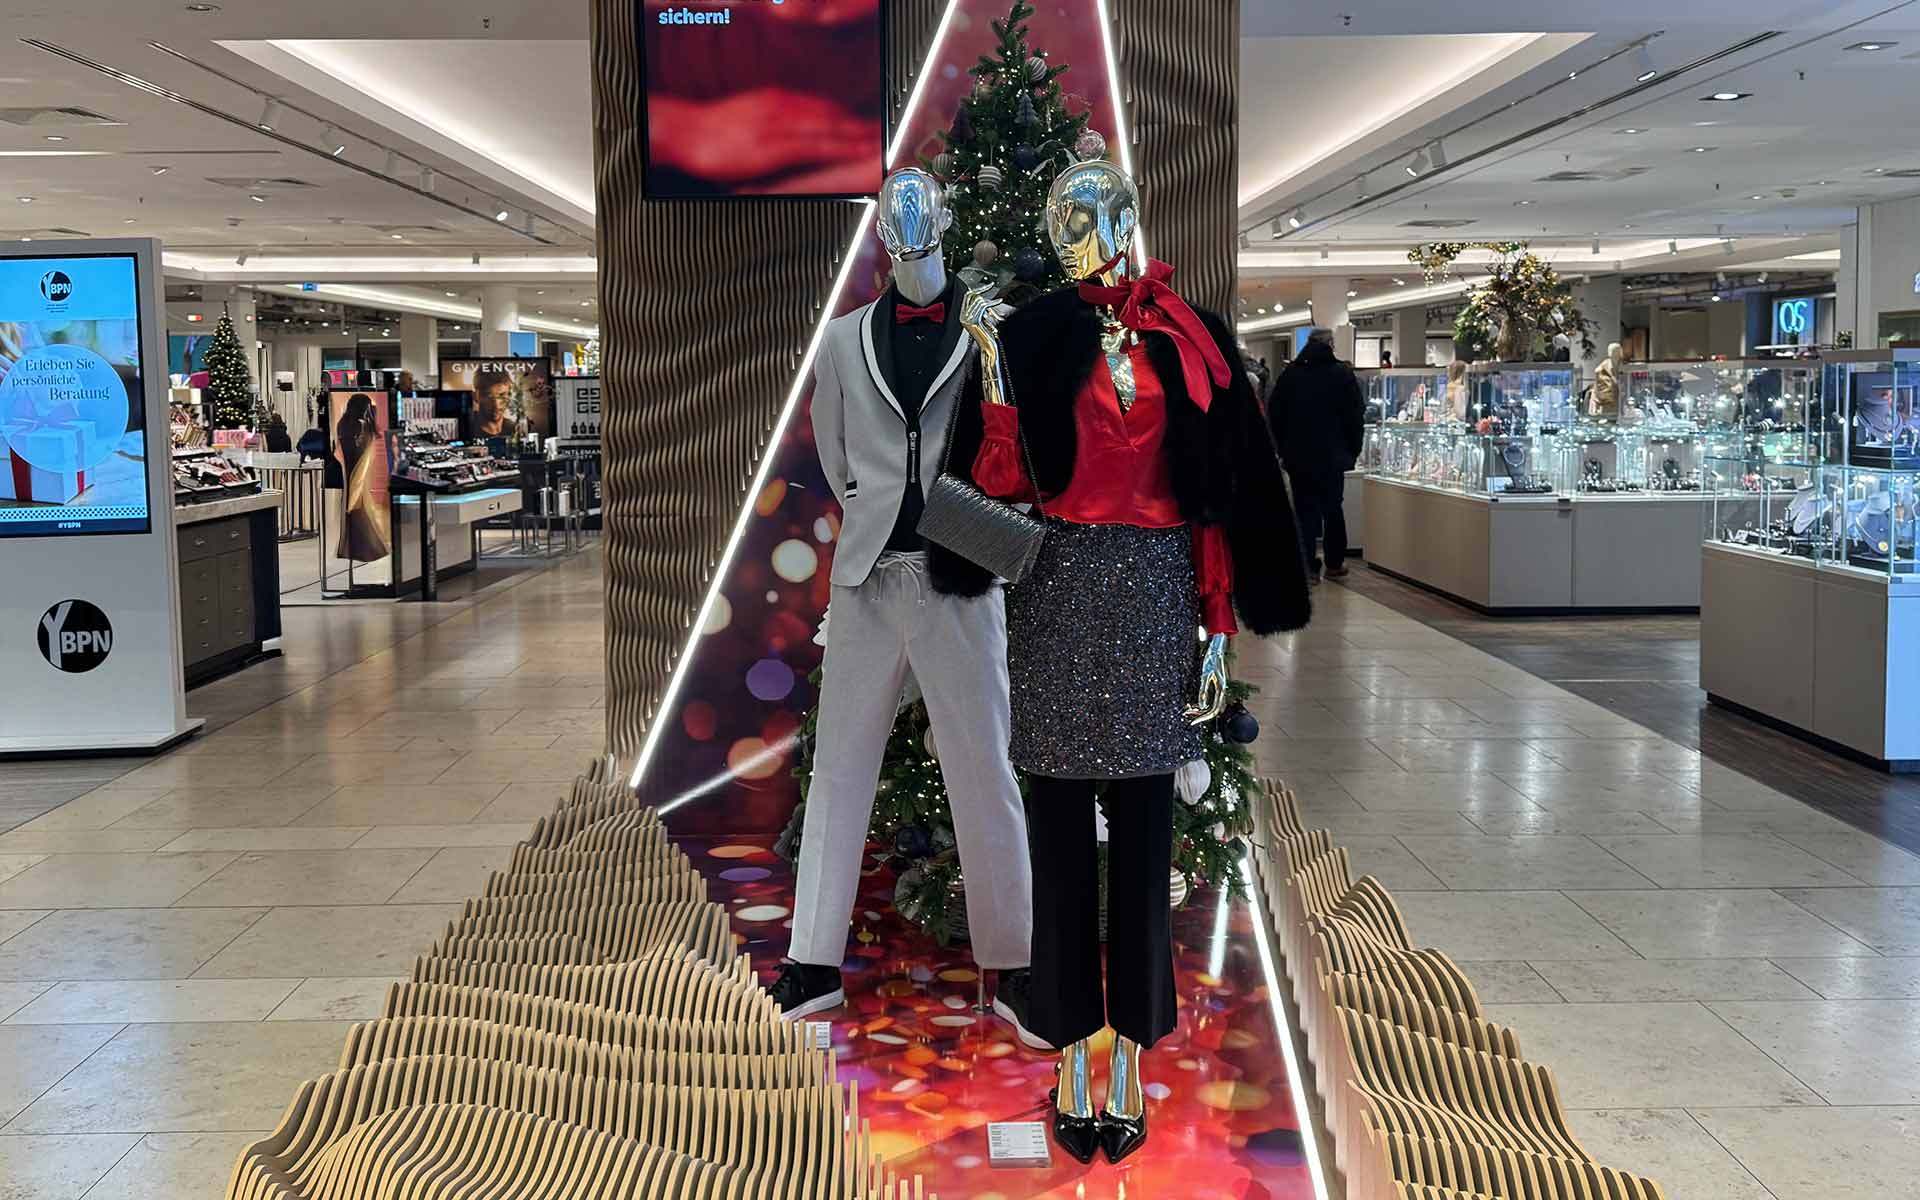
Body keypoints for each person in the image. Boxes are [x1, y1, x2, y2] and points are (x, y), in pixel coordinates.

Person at [931, 159, 1312, 1165]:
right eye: (1057, 215)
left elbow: (1221, 499)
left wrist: (1219, 631)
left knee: (1144, 835)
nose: (1070, 231)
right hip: (1056, 593)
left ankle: (1131, 1045)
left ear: (1126, 218)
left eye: (1088, 212)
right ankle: (1071, 1041)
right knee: (1057, 829)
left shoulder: (1191, 336)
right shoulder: (1030, 334)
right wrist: (993, 369)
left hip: (1154, 595)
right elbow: (998, 483)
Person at [771, 168, 1040, 1046]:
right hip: (868, 579)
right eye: (895, 211)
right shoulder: (843, 338)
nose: (910, 222)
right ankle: (812, 962)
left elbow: (1017, 444)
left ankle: (1014, 961)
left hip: (961, 578)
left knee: (985, 768)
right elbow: (834, 447)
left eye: (923, 207)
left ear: (948, 216)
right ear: (880, 229)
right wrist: (873, 506)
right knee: (838, 767)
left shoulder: (993, 326)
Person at [1270, 328, 1365, 581]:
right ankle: (1334, 562)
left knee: (1305, 511)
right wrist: (1352, 451)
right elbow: (1355, 416)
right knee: (1333, 508)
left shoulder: (1291, 374)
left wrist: (1283, 449)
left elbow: (1275, 414)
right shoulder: (1342, 374)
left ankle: (1308, 566)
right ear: (1330, 344)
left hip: (1299, 456)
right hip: (1333, 455)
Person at [469, 370, 514, 437]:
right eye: (489, 396)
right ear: (475, 396)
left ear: (509, 396)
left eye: (502, 395)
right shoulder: (465, 429)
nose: (496, 404)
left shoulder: (514, 428)